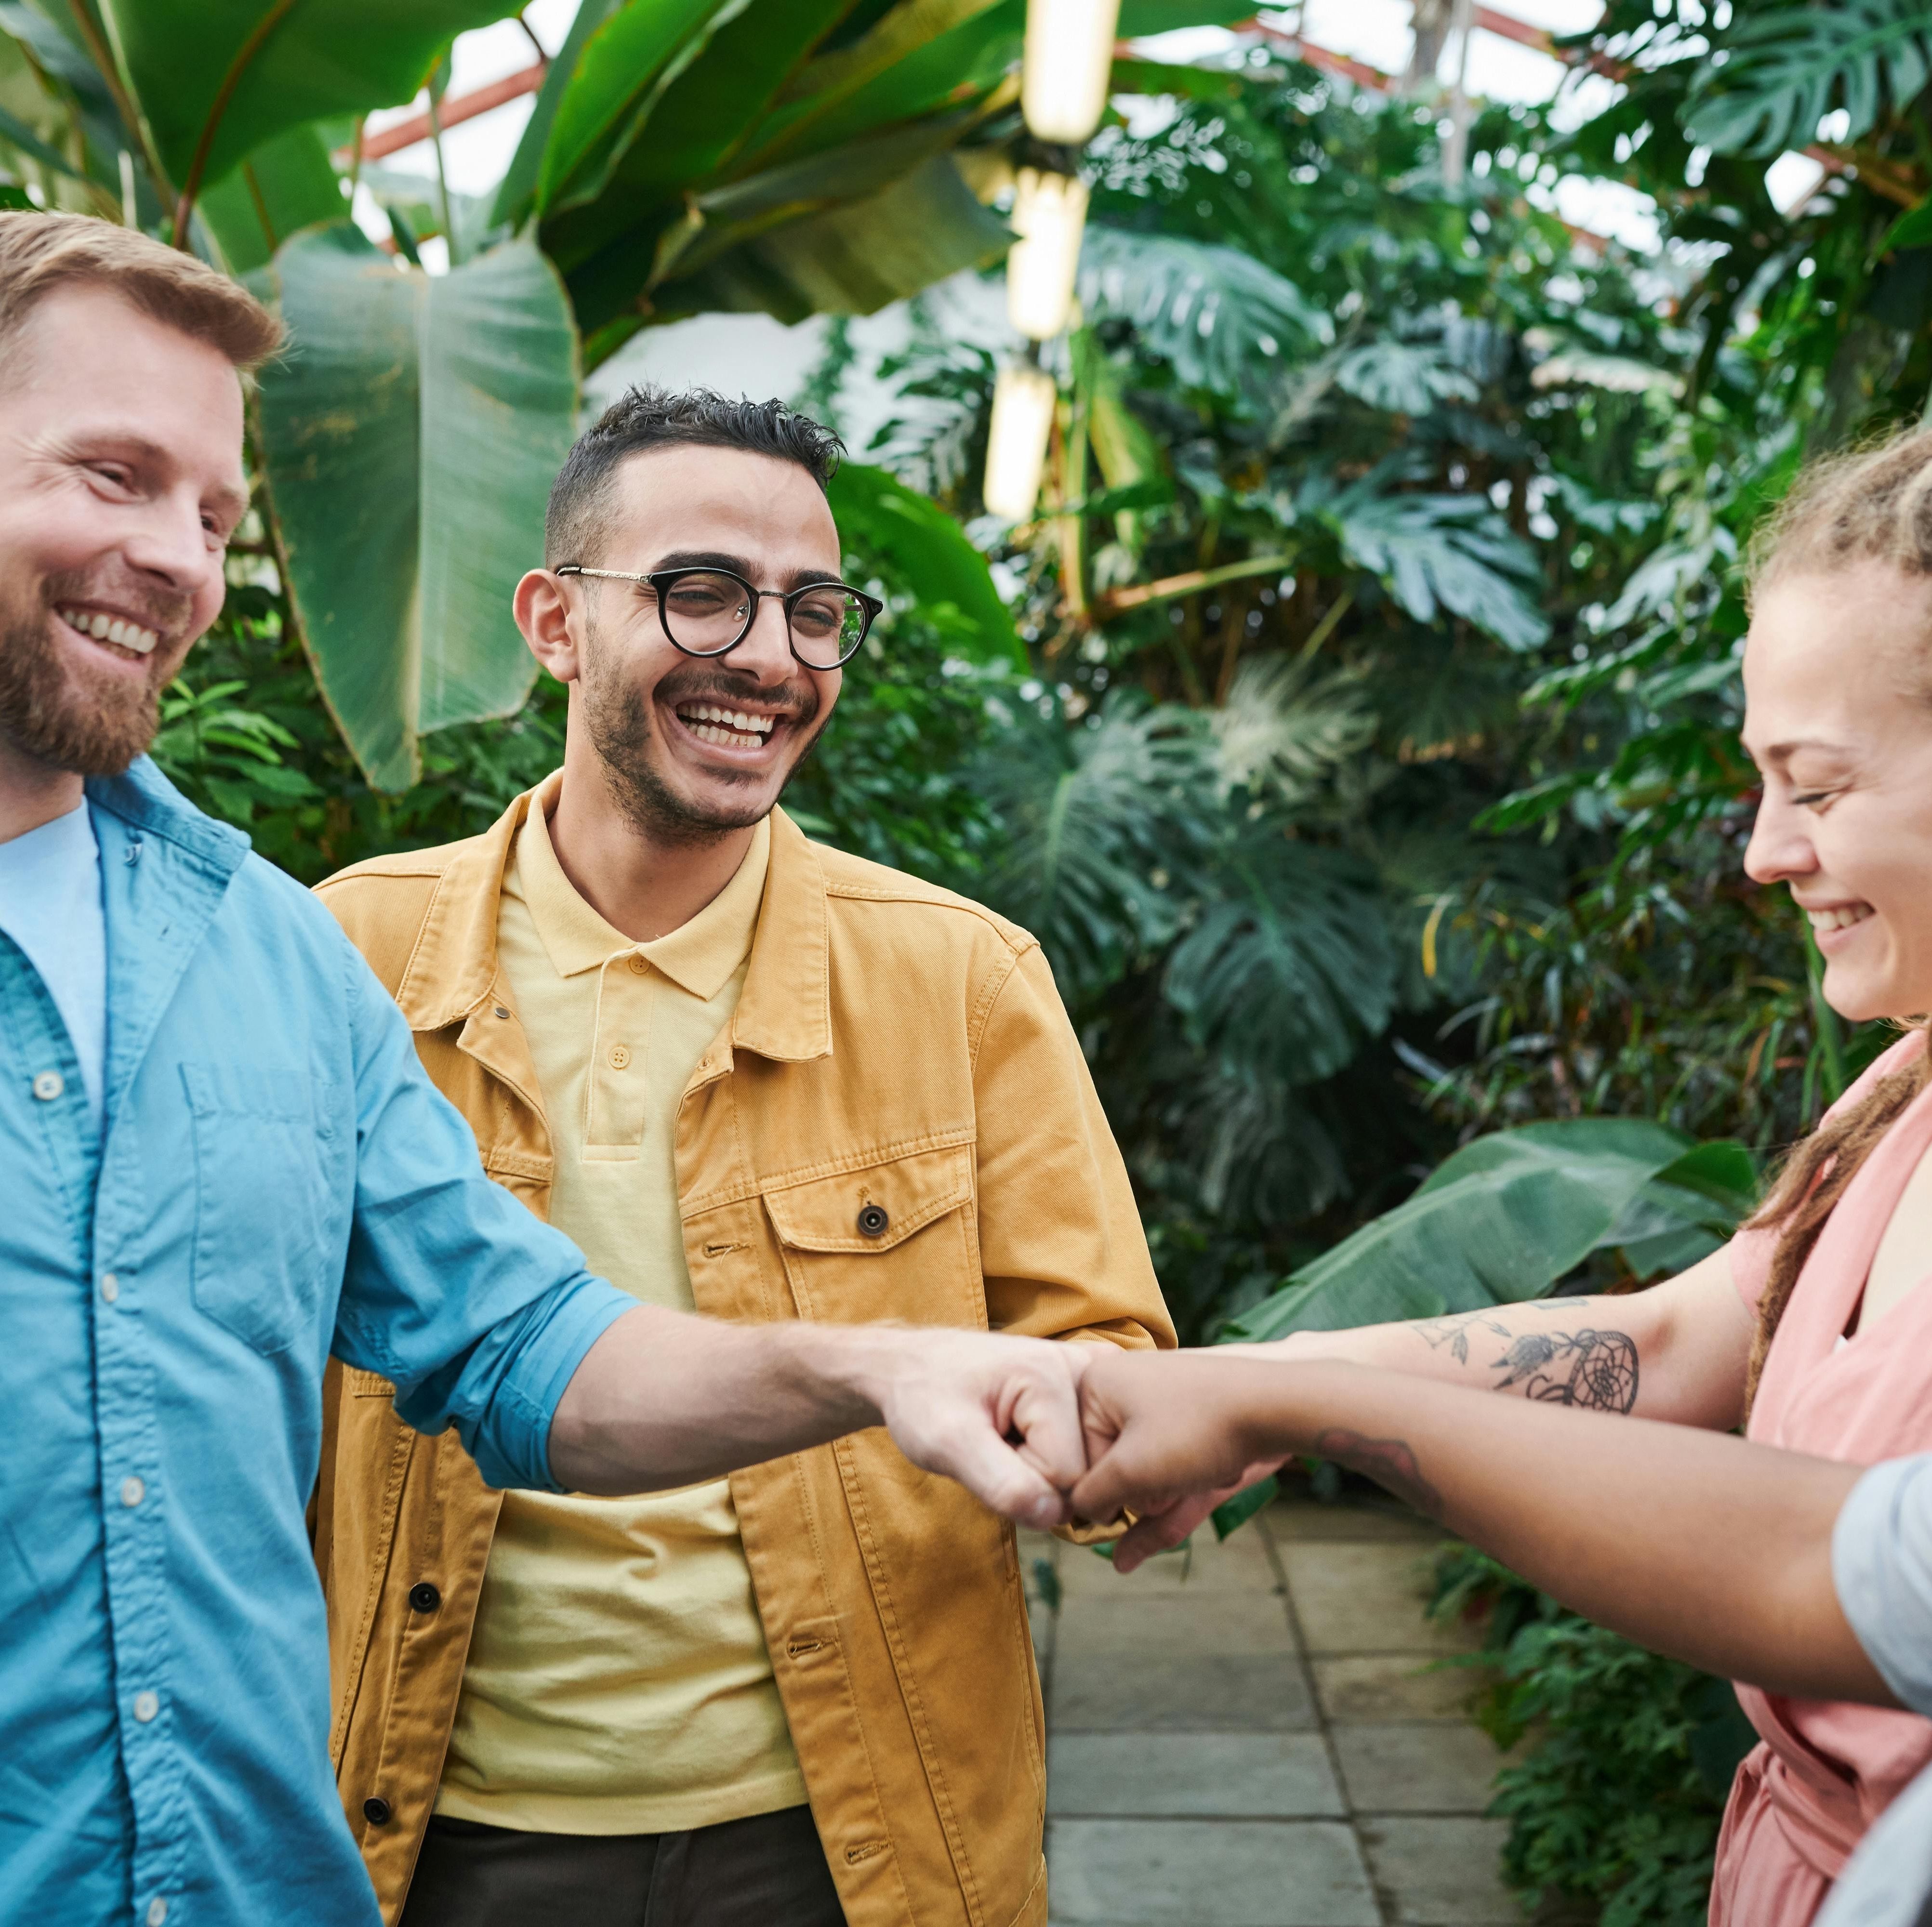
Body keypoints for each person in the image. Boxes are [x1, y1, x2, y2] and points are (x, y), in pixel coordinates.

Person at [0, 212, 1100, 1927]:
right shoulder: (369, 936)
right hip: (441, 1817)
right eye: (112, 476)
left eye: (216, 514)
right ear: (554, 622)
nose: (180, 560)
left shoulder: (261, 956)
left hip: (766, 1832)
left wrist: (891, 1370)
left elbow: (512, 1337)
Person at [309, 385, 1175, 1927]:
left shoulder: (958, 980)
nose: (770, 659)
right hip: (426, 1831)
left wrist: (1145, 1438)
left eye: (815, 609)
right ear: (555, 624)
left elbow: (1102, 1362)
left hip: (839, 1841)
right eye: (701, 595)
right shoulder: (344, 958)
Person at [1109, 426, 1932, 1927]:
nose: (1762, 854)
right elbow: (1693, 1338)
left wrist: (1300, 1404)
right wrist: (1255, 1386)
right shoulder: (1907, 1080)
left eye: (1815, 790)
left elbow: (1843, 1585)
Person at [1065, 1355, 1932, 1927]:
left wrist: (1271, 1401)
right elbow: (1674, 1340)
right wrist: (1249, 1386)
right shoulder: (1896, 1093)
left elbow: (1819, 1564)